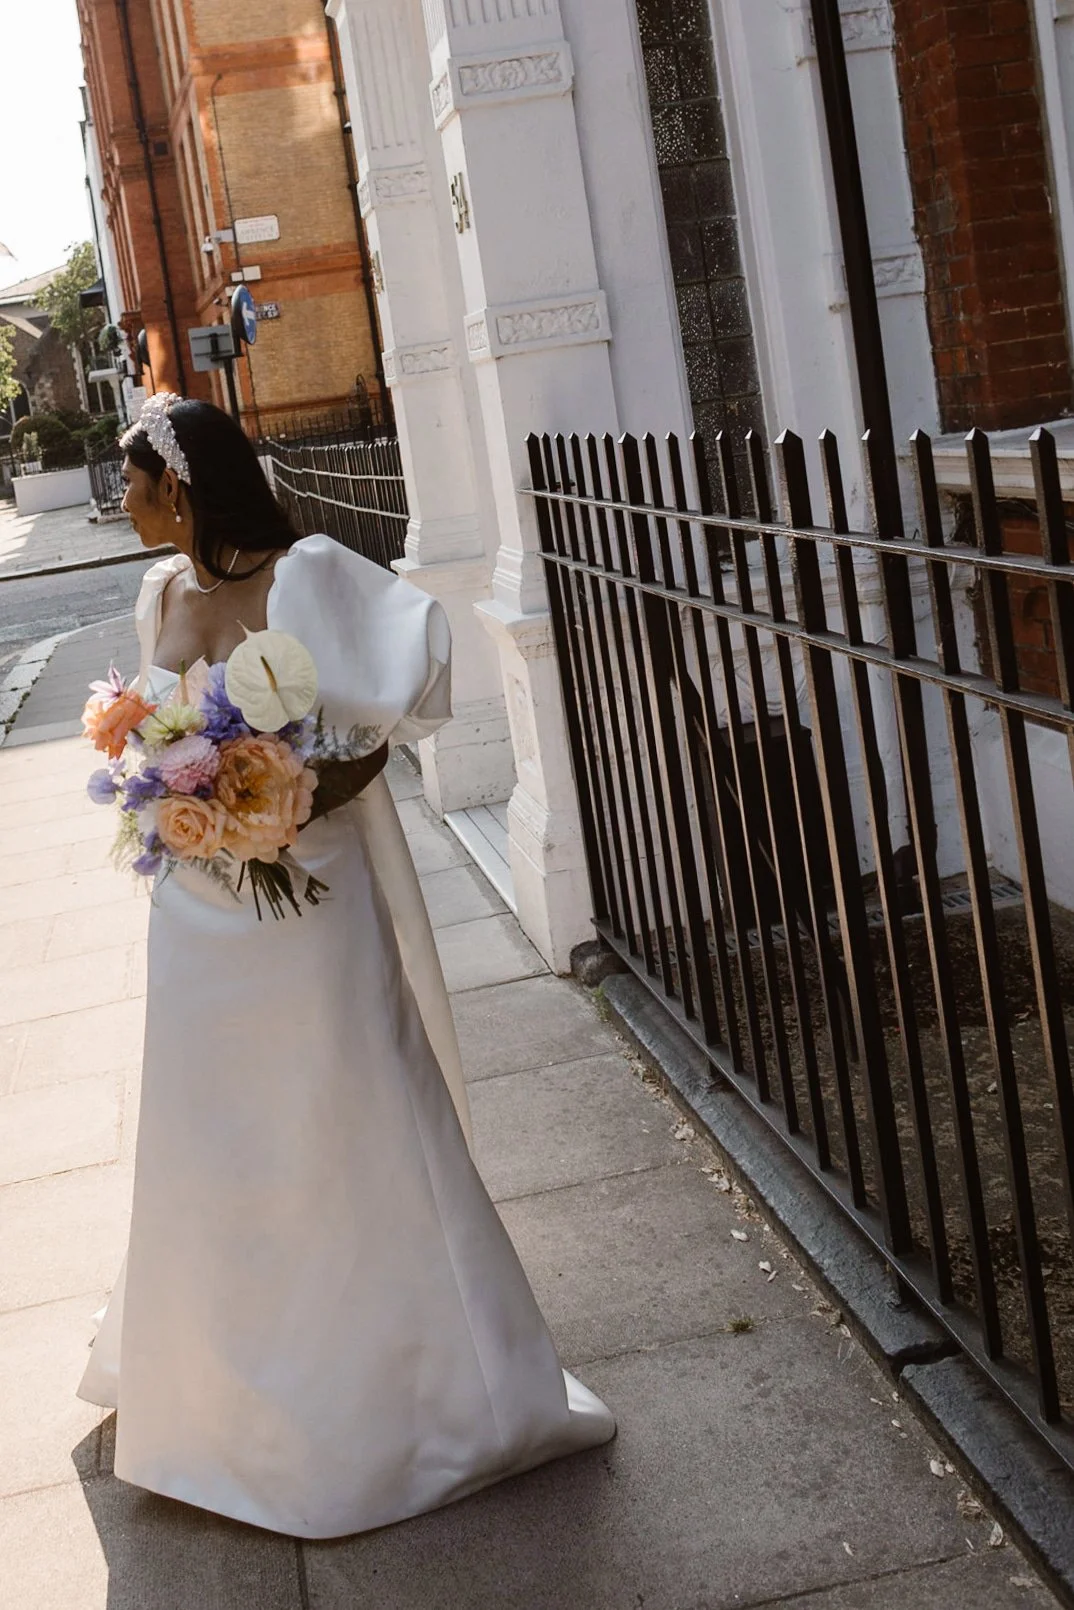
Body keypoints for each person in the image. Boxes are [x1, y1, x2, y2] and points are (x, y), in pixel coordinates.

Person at [77, 395, 615, 1539]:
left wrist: (279, 801)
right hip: (201, 925)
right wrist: (185, 793)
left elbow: (385, 731)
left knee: (351, 1118)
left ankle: (407, 1397)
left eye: (131, 481)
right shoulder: (165, 593)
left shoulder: (308, 574)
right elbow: (160, 730)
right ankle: (226, 1399)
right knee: (220, 1142)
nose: (120, 502)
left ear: (180, 486)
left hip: (312, 906)